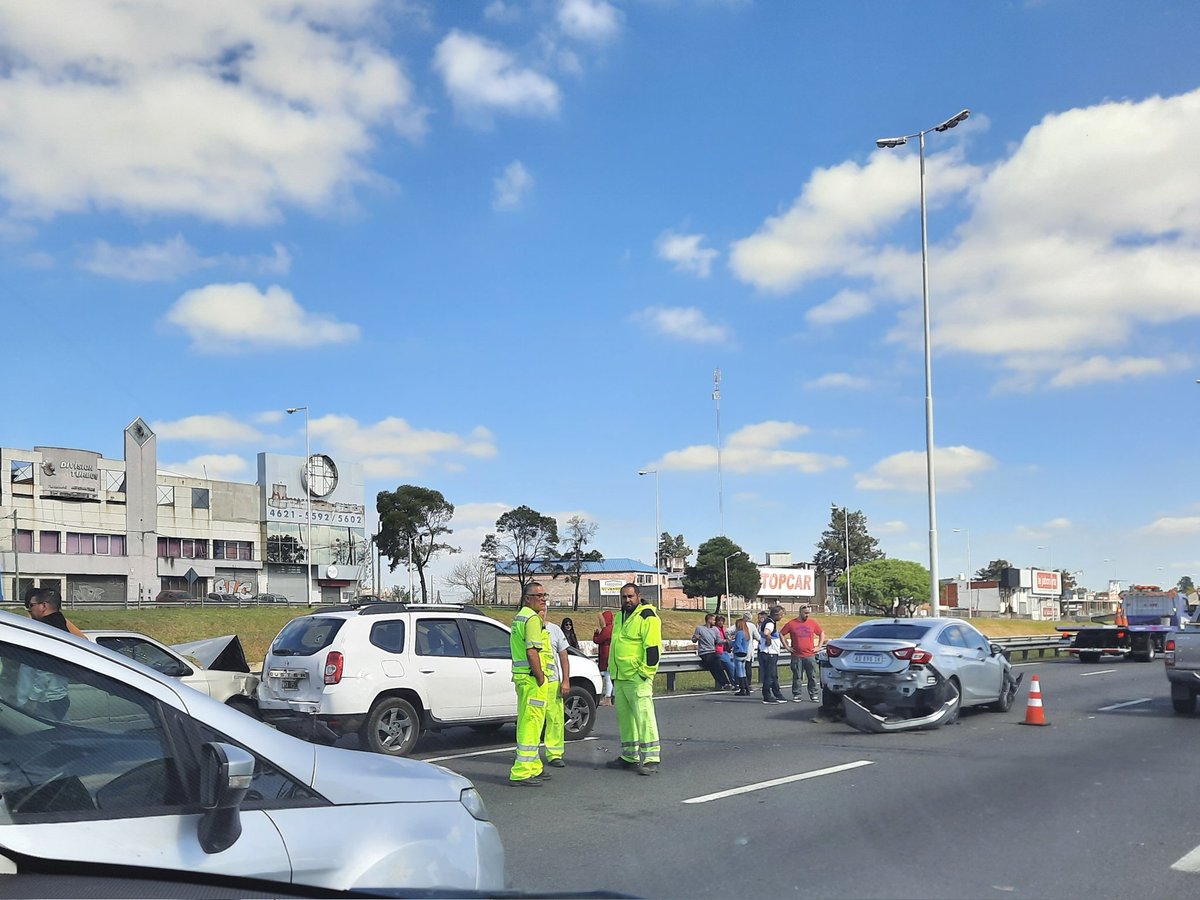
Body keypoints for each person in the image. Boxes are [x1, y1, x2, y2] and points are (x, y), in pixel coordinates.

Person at [605, 583, 663, 775]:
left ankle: (651, 758)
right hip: (621, 677)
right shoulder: (620, 616)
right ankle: (630, 756)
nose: (627, 600)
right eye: (624, 597)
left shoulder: (647, 616)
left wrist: (645, 673)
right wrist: (613, 674)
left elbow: (653, 649)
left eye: (630, 596)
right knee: (626, 719)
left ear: (639, 596)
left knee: (644, 717)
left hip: (637, 677)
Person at [509, 583, 550, 787]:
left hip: (522, 677)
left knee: (530, 721)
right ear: (527, 598)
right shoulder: (532, 619)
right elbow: (532, 651)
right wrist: (541, 676)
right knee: (531, 723)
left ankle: (533, 766)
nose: (543, 599)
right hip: (532, 679)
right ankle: (522, 771)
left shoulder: (521, 616)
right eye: (538, 595)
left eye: (544, 595)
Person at [20, 588, 77, 719]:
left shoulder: (46, 630)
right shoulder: (62, 626)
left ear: (44, 606)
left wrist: (33, 699)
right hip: (59, 696)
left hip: (46, 700)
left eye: (31, 606)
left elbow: (44, 669)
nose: (30, 610)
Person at [542, 618, 571, 767]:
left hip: (552, 682)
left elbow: (563, 656)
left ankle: (555, 754)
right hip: (535, 683)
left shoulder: (554, 630)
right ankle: (530, 756)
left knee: (555, 719)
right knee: (533, 721)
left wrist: (565, 680)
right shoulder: (527, 626)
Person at [780, 605, 824, 702]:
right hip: (797, 655)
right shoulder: (792, 623)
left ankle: (814, 694)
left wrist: (819, 646)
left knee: (812, 676)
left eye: (808, 613)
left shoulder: (812, 623)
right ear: (800, 612)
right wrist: (787, 647)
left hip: (810, 655)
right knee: (797, 676)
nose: (807, 615)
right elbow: (781, 633)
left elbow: (821, 633)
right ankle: (797, 694)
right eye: (805, 613)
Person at [691, 613, 733, 689]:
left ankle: (726, 683)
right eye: (713, 620)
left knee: (718, 665)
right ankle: (724, 683)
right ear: (709, 620)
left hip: (712, 651)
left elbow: (718, 641)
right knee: (713, 665)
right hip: (704, 652)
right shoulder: (699, 628)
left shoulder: (715, 629)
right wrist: (696, 638)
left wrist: (726, 641)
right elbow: (693, 640)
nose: (715, 621)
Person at [759, 605, 786, 704]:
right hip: (769, 652)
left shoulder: (768, 621)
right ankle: (767, 695)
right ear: (776, 614)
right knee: (769, 675)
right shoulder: (770, 623)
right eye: (781, 615)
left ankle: (777, 694)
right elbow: (766, 633)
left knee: (773, 675)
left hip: (768, 652)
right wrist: (769, 640)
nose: (782, 617)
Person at [730, 612, 754, 696]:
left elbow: (737, 644)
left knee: (739, 671)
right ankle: (747, 688)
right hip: (745, 653)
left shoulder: (740, 633)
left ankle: (742, 689)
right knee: (743, 671)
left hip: (738, 653)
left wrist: (730, 643)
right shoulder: (746, 633)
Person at [594, 609, 614, 706]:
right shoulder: (613, 628)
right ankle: (611, 696)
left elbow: (598, 640)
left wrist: (596, 634)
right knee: (610, 676)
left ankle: (608, 697)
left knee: (608, 676)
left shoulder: (606, 630)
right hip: (611, 654)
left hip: (606, 654)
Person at [714, 614, 737, 688]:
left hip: (726, 650)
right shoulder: (715, 629)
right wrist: (725, 641)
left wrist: (730, 639)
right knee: (731, 666)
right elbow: (717, 640)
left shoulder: (723, 629)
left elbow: (727, 637)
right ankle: (735, 683)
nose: (720, 623)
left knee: (732, 666)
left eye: (722, 621)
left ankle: (734, 683)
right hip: (719, 650)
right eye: (719, 621)